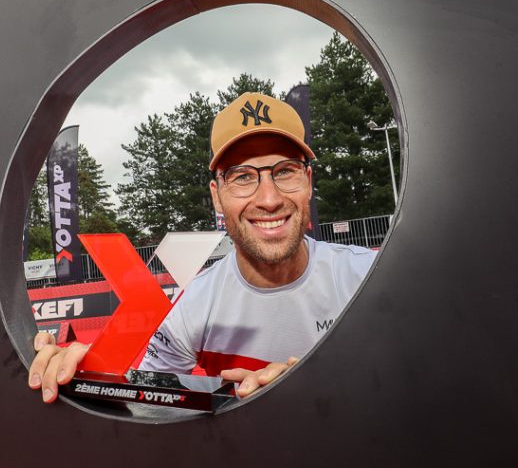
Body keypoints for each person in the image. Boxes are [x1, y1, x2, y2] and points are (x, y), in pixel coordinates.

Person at [29, 92, 377, 402]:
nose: (269, 199)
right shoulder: (193, 306)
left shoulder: (368, 277)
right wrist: (87, 382)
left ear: (309, 182)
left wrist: (325, 382)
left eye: (285, 171)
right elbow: (146, 406)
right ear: (217, 197)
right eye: (243, 176)